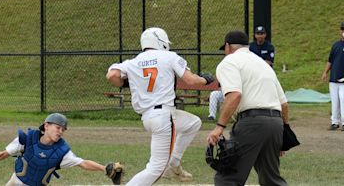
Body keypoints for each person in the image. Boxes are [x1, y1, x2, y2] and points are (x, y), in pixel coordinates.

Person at [106, 27, 213, 185]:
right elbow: (191, 81)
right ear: (161, 42)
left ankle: (174, 164)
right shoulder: (169, 56)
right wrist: (205, 79)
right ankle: (167, 167)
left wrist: (126, 82)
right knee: (156, 169)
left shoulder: (133, 62)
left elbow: (112, 75)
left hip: (149, 117)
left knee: (193, 123)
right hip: (163, 116)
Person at [207, 30, 289, 186]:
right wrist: (283, 135)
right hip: (276, 123)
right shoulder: (262, 64)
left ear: (228, 46)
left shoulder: (229, 61)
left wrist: (219, 127)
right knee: (271, 179)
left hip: (252, 122)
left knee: (227, 178)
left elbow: (235, 95)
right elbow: (284, 104)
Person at [0, 113, 114, 185]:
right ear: (46, 126)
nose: (60, 131)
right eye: (58, 127)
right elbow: (4, 154)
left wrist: (104, 168)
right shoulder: (28, 138)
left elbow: (82, 163)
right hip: (16, 182)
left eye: (63, 130)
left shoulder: (61, 151)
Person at [322, 22, 344, 131]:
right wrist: (325, 72)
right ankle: (335, 122)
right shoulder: (336, 45)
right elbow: (330, 60)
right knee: (335, 101)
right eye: (342, 29)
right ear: (340, 31)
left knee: (343, 99)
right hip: (334, 79)